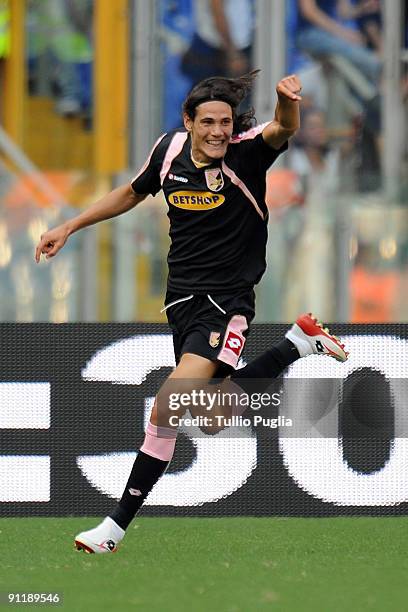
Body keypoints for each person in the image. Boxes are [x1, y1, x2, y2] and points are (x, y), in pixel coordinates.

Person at [35, 70, 348, 554]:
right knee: (211, 417)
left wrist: (287, 103)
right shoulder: (167, 152)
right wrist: (71, 225)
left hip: (225, 304)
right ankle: (297, 344)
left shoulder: (247, 152)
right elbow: (133, 192)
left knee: (168, 406)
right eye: (209, 123)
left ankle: (113, 529)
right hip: (180, 302)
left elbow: (282, 129)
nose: (219, 131)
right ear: (189, 122)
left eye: (225, 122)